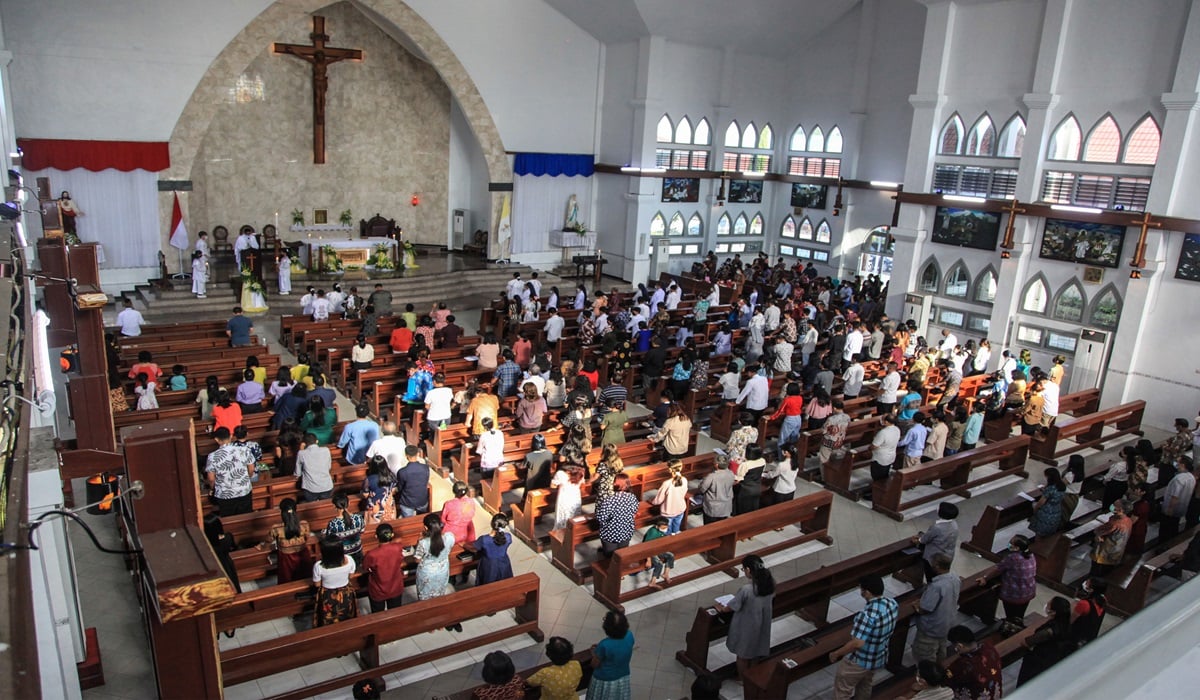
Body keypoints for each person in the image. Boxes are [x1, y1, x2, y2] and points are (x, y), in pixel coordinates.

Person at [830, 574, 900, 700]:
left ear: (866, 592)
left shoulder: (867, 615)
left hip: (859, 661)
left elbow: (857, 643)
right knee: (865, 685)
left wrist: (836, 653)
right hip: (878, 656)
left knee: (843, 691)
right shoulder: (892, 603)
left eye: (861, 589)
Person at [715, 555, 775, 680]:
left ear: (748, 570)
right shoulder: (770, 584)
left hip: (747, 625)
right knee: (754, 653)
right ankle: (752, 676)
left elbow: (732, 606)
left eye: (743, 569)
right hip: (762, 622)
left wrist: (721, 608)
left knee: (742, 655)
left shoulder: (747, 590)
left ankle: (743, 679)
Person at [1016, 596, 1074, 687]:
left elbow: (1027, 642)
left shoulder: (1050, 631)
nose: (1047, 605)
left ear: (1054, 612)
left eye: (1049, 604)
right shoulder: (1066, 624)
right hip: (1053, 659)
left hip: (1038, 662)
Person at [912, 553, 959, 664]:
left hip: (932, 628)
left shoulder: (936, 586)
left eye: (932, 564)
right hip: (947, 624)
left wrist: (916, 605)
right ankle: (940, 667)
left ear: (937, 566)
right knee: (941, 651)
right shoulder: (955, 579)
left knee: (925, 657)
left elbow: (925, 608)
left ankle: (929, 676)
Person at [985, 534, 1038, 632]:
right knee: (1019, 615)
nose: (1009, 544)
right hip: (1028, 591)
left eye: (1011, 543)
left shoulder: (1013, 558)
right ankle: (1017, 626)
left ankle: (1010, 630)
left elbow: (998, 569)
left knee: (1011, 615)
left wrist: (985, 578)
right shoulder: (1031, 555)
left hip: (1014, 593)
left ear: (1017, 547)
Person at [415, 513, 457, 621]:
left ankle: (428, 620)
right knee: (439, 593)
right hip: (442, 569)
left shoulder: (423, 543)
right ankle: (439, 617)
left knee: (425, 596)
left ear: (425, 527)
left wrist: (419, 540)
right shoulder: (449, 537)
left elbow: (417, 559)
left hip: (427, 573)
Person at [259, 498, 311, 584]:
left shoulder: (276, 528)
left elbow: (268, 541)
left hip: (286, 558)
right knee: (304, 578)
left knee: (287, 580)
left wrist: (261, 546)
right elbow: (307, 537)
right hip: (302, 554)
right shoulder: (304, 524)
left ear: (281, 512)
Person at [943, 626, 1003, 700]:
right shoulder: (989, 648)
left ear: (959, 646)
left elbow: (946, 679)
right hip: (995, 694)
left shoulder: (963, 664)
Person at [204, 427, 254, 515]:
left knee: (228, 520)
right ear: (231, 436)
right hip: (244, 490)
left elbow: (211, 478)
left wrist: (212, 488)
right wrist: (246, 479)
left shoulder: (212, 456)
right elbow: (251, 469)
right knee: (245, 516)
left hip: (224, 494)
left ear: (216, 439)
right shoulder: (244, 450)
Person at [587, 611, 634, 700]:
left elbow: (594, 664)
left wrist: (594, 653)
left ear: (607, 629)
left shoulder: (604, 645)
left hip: (604, 680)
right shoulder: (629, 635)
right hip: (622, 677)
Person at [312, 537, 357, 627]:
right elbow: (351, 576)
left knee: (328, 618)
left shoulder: (318, 566)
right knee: (347, 614)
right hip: (345, 592)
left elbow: (317, 584)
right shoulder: (349, 560)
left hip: (327, 595)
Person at [362, 524, 405, 612]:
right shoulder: (398, 547)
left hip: (378, 589)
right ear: (392, 535)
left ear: (376, 536)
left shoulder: (372, 554)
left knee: (378, 614)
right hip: (395, 586)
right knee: (395, 612)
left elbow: (365, 567)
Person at [914, 502, 959, 583]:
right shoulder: (954, 524)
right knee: (939, 577)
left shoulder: (937, 527)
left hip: (934, 557)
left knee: (931, 578)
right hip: (947, 555)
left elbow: (924, 540)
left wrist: (918, 539)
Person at [596, 474, 640, 555]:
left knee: (609, 556)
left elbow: (600, 518)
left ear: (615, 485)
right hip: (626, 532)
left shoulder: (609, 500)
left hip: (610, 534)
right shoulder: (633, 497)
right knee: (622, 554)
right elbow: (634, 512)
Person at [1090, 497, 1131, 576]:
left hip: (1105, 553)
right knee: (1108, 571)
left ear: (1121, 510)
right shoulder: (1128, 520)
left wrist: (1098, 533)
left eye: (1115, 505)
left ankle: (1092, 585)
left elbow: (1100, 530)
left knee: (1098, 572)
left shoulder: (1115, 524)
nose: (1112, 506)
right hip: (1117, 552)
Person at [441, 481, 477, 566]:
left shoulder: (449, 504)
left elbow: (443, 519)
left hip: (452, 532)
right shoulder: (471, 502)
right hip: (467, 530)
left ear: (454, 491)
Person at [203, 513, 241, 594]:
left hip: (212, 568)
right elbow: (234, 547)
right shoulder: (227, 538)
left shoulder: (204, 546)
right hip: (226, 564)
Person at [324, 492, 365, 564]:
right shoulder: (358, 518)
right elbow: (362, 531)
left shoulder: (333, 524)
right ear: (349, 503)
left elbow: (330, 539)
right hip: (358, 551)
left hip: (343, 556)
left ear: (334, 506)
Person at [1161, 456, 1196, 541]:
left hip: (1171, 510)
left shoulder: (1179, 479)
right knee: (1174, 528)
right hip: (1181, 509)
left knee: (1166, 531)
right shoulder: (1191, 477)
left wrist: (1170, 509)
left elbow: (1175, 496)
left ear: (1183, 465)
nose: (1176, 464)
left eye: (1178, 462)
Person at [473, 513, 514, 586]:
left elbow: (475, 547)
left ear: (492, 524)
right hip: (504, 563)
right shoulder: (508, 537)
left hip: (488, 565)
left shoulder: (484, 539)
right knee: (504, 583)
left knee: (488, 585)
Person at [295, 432, 334, 501]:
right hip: (326, 485)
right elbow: (329, 467)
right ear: (317, 441)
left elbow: (297, 473)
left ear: (305, 443)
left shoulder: (301, 453)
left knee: (311, 504)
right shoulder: (326, 450)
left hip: (310, 488)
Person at [1029, 467, 1066, 537]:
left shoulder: (1050, 489)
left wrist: (1035, 508)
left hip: (1046, 513)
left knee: (1039, 535)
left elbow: (1041, 503)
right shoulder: (1062, 485)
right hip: (1056, 511)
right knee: (1049, 534)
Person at [1071, 577, 1107, 647]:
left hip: (1077, 637)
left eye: (1087, 583)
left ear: (1091, 590)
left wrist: (1074, 603)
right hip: (1090, 636)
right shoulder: (1103, 600)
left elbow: (1071, 620)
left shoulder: (1084, 604)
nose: (1085, 583)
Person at [395, 445, 431, 517]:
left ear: (406, 455)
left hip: (407, 502)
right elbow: (425, 481)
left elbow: (400, 487)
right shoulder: (425, 468)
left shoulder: (402, 472)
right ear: (418, 454)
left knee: (408, 521)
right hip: (422, 499)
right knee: (422, 519)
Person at [361, 455, 396, 523]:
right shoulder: (392, 476)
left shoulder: (369, 479)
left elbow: (365, 495)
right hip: (388, 506)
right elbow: (393, 491)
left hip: (374, 506)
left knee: (374, 527)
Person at [642, 517, 674, 587]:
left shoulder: (663, 530)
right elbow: (645, 546)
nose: (665, 529)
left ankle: (666, 574)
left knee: (671, 555)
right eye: (663, 528)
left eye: (666, 527)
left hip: (658, 549)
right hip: (650, 551)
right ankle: (652, 582)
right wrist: (648, 559)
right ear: (657, 526)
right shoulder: (652, 532)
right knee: (659, 563)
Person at [735, 443, 766, 515]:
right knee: (753, 509)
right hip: (757, 488)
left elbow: (739, 477)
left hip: (746, 490)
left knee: (743, 510)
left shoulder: (745, 465)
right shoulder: (762, 461)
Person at [551, 465, 585, 530]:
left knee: (563, 517)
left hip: (564, 497)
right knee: (574, 516)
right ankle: (573, 531)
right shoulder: (581, 472)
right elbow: (582, 483)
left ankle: (561, 532)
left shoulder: (561, 474)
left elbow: (553, 486)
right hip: (575, 496)